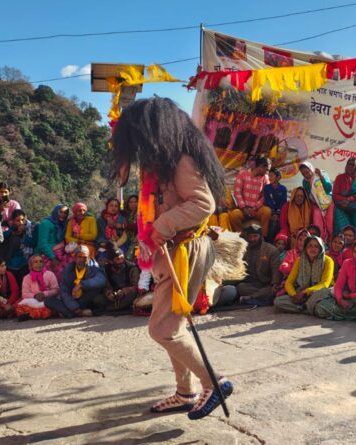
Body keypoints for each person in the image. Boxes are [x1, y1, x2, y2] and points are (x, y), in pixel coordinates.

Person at [110, 97, 233, 419]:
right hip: (172, 251)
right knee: (173, 326)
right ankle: (185, 392)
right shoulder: (161, 161)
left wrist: (161, 227)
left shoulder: (181, 159)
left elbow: (203, 204)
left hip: (184, 250)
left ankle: (214, 382)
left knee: (162, 329)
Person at [275, 236, 335, 314]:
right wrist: (294, 295)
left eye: (316, 246)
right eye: (310, 246)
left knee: (323, 292)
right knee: (278, 301)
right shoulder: (299, 261)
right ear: (305, 248)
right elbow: (289, 283)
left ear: (321, 248)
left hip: (318, 294)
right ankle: (308, 309)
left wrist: (305, 292)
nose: (313, 249)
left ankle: (304, 308)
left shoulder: (328, 261)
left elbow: (325, 284)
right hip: (301, 295)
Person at [50, 245, 106, 318]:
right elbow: (64, 292)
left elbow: (101, 280)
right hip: (73, 300)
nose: (82, 260)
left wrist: (81, 285)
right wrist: (75, 308)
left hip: (86, 299)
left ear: (88, 258)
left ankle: (69, 313)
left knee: (96, 290)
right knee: (49, 300)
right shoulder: (67, 270)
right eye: (79, 257)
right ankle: (79, 312)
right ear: (75, 258)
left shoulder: (93, 268)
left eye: (84, 257)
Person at [234, 224, 281, 305]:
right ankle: (257, 297)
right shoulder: (244, 248)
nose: (252, 239)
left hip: (266, 283)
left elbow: (276, 269)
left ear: (261, 236)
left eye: (255, 236)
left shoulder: (271, 250)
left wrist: (275, 283)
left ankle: (251, 297)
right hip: (251, 284)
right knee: (240, 287)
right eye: (250, 236)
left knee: (272, 290)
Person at [230, 156, 272, 237]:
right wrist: (244, 208)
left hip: (257, 210)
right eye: (267, 170)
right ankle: (242, 237)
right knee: (234, 215)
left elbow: (265, 196)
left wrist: (255, 208)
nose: (267, 172)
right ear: (261, 166)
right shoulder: (243, 174)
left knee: (267, 211)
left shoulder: (265, 178)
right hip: (243, 210)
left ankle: (263, 238)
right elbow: (237, 192)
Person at [333, 157, 356, 237]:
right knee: (338, 212)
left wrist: (350, 200)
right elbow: (335, 195)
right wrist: (345, 200)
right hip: (342, 205)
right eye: (348, 164)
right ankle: (343, 239)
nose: (350, 166)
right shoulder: (339, 177)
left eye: (353, 165)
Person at [299, 161, 334, 242]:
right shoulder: (305, 181)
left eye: (307, 171)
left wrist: (321, 177)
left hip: (329, 203)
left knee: (329, 224)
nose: (305, 174)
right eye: (303, 173)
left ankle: (331, 241)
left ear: (311, 168)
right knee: (317, 221)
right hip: (316, 206)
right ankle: (321, 241)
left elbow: (328, 189)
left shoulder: (321, 173)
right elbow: (308, 195)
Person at [1, 209, 36, 285]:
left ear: (25, 217)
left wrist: (24, 234)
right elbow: (2, 237)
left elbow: (33, 243)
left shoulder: (32, 227)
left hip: (26, 261)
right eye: (18, 221)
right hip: (12, 262)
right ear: (13, 221)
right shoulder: (13, 228)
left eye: (22, 220)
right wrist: (14, 232)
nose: (21, 222)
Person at [17, 254, 58, 320]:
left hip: (47, 299)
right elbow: (24, 294)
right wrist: (35, 296)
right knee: (20, 306)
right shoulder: (27, 277)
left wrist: (44, 294)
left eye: (40, 261)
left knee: (48, 308)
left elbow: (56, 290)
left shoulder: (50, 274)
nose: (39, 264)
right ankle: (35, 313)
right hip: (34, 300)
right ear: (31, 264)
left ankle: (31, 315)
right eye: (35, 262)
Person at [100, 248, 140, 315]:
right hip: (114, 296)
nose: (121, 261)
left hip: (127, 294)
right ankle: (118, 307)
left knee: (134, 294)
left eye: (122, 258)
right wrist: (109, 293)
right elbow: (106, 285)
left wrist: (123, 292)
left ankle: (109, 308)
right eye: (117, 259)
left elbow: (135, 286)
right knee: (97, 299)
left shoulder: (131, 267)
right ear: (111, 261)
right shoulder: (106, 269)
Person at [36, 204, 70, 277]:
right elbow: (42, 243)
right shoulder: (46, 223)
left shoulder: (63, 225)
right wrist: (52, 257)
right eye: (61, 212)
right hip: (47, 255)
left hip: (60, 254)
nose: (63, 215)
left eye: (65, 213)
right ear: (56, 211)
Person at [263, 167, 287, 241]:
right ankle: (269, 241)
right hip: (270, 212)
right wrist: (273, 213)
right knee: (273, 222)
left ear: (278, 177)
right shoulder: (267, 188)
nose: (270, 178)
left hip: (280, 212)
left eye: (272, 176)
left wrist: (278, 213)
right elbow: (268, 201)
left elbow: (283, 202)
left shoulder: (283, 188)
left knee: (280, 222)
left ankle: (278, 240)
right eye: (269, 176)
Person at [123, 195, 139, 262]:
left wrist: (124, 226)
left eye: (135, 202)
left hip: (137, 240)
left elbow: (138, 226)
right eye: (131, 202)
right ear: (127, 204)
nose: (133, 204)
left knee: (132, 258)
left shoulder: (141, 213)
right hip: (126, 239)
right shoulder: (125, 214)